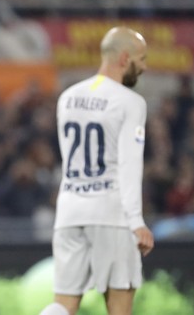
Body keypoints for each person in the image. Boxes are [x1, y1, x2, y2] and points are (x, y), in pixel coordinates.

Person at [40, 27, 155, 315]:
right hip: (111, 213)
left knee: (63, 305)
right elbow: (129, 164)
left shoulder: (68, 97)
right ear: (124, 57)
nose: (144, 66)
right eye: (141, 59)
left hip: (69, 212)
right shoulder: (131, 102)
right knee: (119, 306)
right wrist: (136, 220)